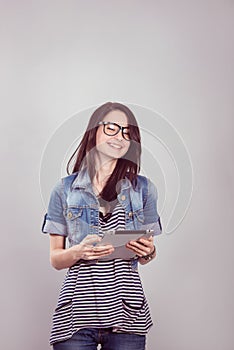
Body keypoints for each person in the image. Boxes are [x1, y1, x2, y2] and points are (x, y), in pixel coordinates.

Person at [41, 101, 162, 350]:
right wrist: (78, 252)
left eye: (127, 133)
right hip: (76, 316)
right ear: (94, 131)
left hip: (127, 317)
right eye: (112, 128)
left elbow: (149, 252)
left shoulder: (144, 189)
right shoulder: (64, 190)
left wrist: (148, 251)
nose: (120, 137)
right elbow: (55, 259)